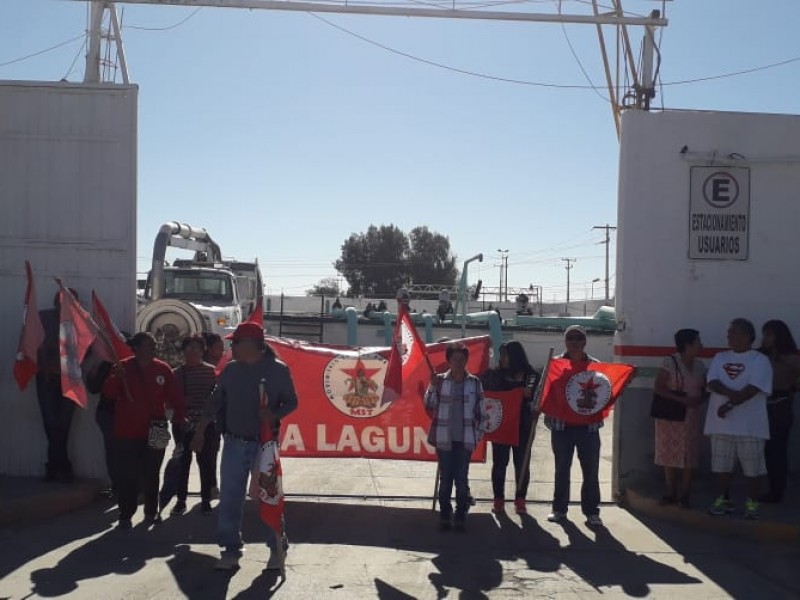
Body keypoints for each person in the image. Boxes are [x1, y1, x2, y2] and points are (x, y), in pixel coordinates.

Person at [192, 321, 298, 572]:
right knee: (230, 498)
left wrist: (273, 414)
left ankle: (276, 548)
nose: (232, 346)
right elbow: (215, 402)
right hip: (234, 443)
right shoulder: (230, 370)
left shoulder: (278, 371)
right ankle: (230, 549)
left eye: (235, 342)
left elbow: (292, 402)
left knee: (267, 498)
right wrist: (200, 430)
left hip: (265, 446)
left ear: (251, 344)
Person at [102, 332, 184, 530]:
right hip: (128, 430)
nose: (154, 347)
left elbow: (175, 397)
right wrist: (116, 378)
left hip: (156, 428)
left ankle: (150, 511)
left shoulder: (162, 369)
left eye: (154, 344)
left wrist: (180, 421)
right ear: (137, 347)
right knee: (127, 474)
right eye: (149, 344)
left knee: (152, 472)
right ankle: (125, 514)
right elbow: (108, 394)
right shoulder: (123, 367)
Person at [705, 318, 772, 519]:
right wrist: (730, 395)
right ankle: (723, 499)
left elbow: (754, 388)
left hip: (750, 426)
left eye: (734, 332)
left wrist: (730, 404)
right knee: (721, 467)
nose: (729, 337)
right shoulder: (720, 357)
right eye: (729, 333)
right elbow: (712, 381)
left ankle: (752, 502)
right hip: (721, 425)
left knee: (753, 468)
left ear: (747, 336)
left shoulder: (759, 360)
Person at [424, 342, 488, 532]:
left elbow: (482, 414)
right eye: (455, 359)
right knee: (445, 481)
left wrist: (476, 437)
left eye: (462, 359)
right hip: (444, 439)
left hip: (465, 440)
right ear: (449, 361)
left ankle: (460, 515)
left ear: (466, 360)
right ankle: (445, 514)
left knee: (461, 480)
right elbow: (429, 405)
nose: (459, 363)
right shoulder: (440, 381)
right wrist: (432, 387)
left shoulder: (474, 383)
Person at [546, 325, 604, 527]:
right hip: (562, 427)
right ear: (565, 341)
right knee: (562, 469)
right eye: (571, 338)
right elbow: (545, 391)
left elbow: (605, 393)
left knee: (591, 470)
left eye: (579, 338)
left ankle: (591, 511)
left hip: (588, 428)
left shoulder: (596, 366)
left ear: (585, 341)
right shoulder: (555, 365)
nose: (575, 342)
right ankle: (559, 509)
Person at [481, 341, 539, 515]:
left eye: (505, 355)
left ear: (515, 356)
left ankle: (520, 499)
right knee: (499, 464)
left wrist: (534, 402)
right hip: (501, 426)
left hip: (524, 427)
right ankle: (498, 499)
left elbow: (540, 399)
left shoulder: (532, 376)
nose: (502, 359)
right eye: (502, 355)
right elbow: (481, 390)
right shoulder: (494, 375)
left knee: (521, 465)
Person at [653, 329, 707, 508]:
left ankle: (685, 494)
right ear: (688, 344)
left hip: (691, 415)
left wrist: (700, 399)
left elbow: (705, 388)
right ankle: (671, 492)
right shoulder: (670, 362)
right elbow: (659, 387)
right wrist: (681, 399)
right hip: (671, 414)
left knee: (689, 453)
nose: (701, 345)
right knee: (669, 452)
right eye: (698, 341)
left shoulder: (700, 365)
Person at [166, 335, 218, 516]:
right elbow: (168, 401)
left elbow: (218, 400)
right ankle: (181, 500)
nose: (192, 351)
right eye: (189, 348)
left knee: (206, 463)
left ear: (203, 350)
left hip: (207, 424)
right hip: (183, 424)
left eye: (196, 348)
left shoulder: (212, 372)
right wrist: (181, 401)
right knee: (182, 463)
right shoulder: (176, 373)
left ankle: (205, 500)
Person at [758, 320, 800, 503]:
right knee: (766, 451)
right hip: (761, 406)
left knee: (777, 451)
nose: (765, 339)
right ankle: (768, 487)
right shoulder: (761, 356)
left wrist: (792, 387)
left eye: (768, 335)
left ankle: (776, 491)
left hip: (780, 405)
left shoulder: (790, 357)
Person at [203, 332, 225, 498]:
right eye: (219, 347)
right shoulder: (204, 368)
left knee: (214, 451)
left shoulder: (225, 365)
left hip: (222, 416)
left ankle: (212, 485)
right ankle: (210, 486)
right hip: (204, 417)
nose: (222, 350)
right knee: (207, 453)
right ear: (209, 349)